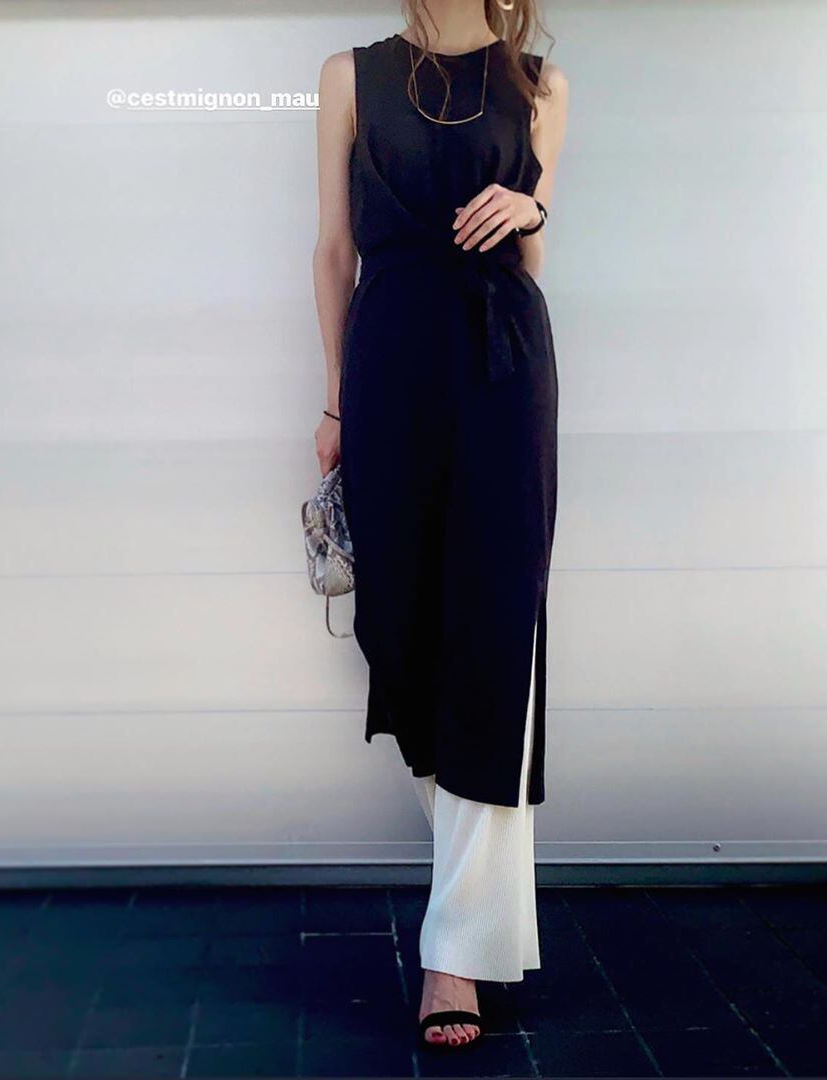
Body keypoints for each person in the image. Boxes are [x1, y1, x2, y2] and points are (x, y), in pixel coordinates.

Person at [311, 0, 569, 1052]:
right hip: (390, 363)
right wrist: (335, 403)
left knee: (496, 634)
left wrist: (530, 209)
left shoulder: (539, 86)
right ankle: (483, 908)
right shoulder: (349, 76)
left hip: (503, 366)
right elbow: (334, 250)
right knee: (403, 629)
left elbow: (533, 261)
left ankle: (453, 951)